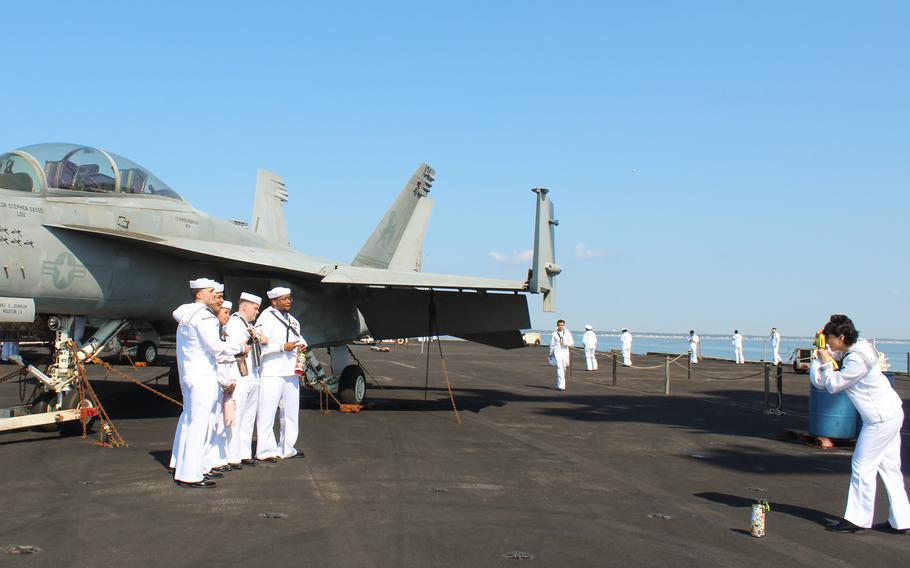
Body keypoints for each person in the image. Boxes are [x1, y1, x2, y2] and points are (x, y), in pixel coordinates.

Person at [811, 315, 910, 534]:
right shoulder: (861, 347)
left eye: (830, 338)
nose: (828, 342)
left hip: (879, 420)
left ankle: (858, 519)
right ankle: (902, 520)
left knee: (862, 465)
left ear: (842, 337)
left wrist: (825, 361)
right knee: (889, 467)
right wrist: (824, 348)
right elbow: (836, 356)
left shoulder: (856, 360)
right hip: (890, 412)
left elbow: (833, 385)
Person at [170, 278, 248, 488]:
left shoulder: (186, 314)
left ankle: (186, 466)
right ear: (199, 295)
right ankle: (191, 474)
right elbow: (215, 346)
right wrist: (240, 348)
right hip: (203, 376)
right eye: (211, 292)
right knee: (200, 425)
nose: (215, 295)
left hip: (188, 375)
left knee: (190, 421)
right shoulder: (204, 317)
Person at [255, 286, 307, 461]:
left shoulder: (293, 320)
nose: (288, 301)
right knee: (267, 412)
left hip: (291, 370)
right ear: (274, 301)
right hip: (272, 371)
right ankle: (265, 451)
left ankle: (287, 448)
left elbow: (299, 337)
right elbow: (260, 345)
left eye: (289, 298)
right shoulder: (265, 318)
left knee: (291, 412)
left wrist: (302, 343)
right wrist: (281, 347)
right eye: (284, 299)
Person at [225, 292, 266, 466]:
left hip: (254, 373)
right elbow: (233, 347)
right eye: (255, 309)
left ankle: (244, 452)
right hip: (240, 374)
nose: (257, 312)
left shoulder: (249, 324)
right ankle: (232, 456)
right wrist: (251, 336)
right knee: (238, 414)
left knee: (249, 417)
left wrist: (261, 338)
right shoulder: (234, 323)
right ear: (244, 307)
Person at [548, 319, 574, 390]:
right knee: (560, 367)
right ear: (557, 325)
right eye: (559, 325)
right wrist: (550, 354)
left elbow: (572, 343)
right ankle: (561, 386)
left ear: (564, 325)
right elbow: (552, 344)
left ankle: (560, 382)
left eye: (562, 325)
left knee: (564, 367)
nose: (560, 326)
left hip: (565, 351)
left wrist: (566, 344)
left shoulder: (567, 333)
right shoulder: (554, 333)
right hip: (557, 352)